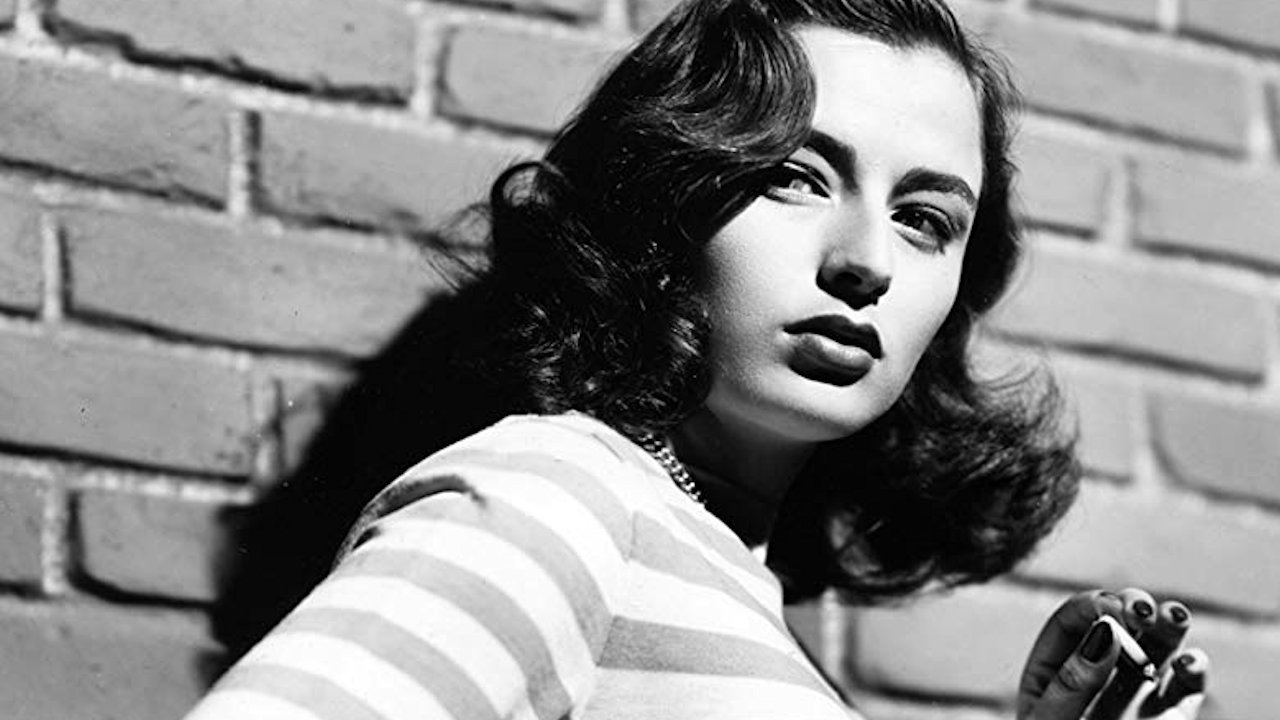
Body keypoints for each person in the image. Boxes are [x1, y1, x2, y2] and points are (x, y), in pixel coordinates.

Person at [188, 0, 1209, 717]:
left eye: (924, 218)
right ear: (659, 202)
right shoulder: (560, 495)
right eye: (793, 177)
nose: (866, 261)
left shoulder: (721, 585)